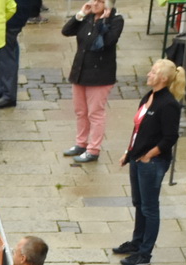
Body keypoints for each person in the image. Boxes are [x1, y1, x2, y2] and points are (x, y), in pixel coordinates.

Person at [115, 59, 184, 265]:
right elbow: (138, 130)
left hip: (151, 162)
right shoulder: (148, 97)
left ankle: (144, 253)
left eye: (153, 72)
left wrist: (149, 155)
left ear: (163, 78)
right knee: (139, 203)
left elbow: (170, 137)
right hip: (138, 158)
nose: (148, 74)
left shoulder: (169, 104)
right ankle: (137, 242)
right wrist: (129, 152)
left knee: (150, 207)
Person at [60, 0, 122, 164]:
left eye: (100, 1)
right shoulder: (88, 17)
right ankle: (81, 143)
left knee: (95, 113)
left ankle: (93, 149)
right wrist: (80, 14)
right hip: (80, 72)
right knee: (80, 111)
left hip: (99, 76)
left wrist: (105, 21)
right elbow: (66, 31)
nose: (95, 3)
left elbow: (106, 42)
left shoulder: (116, 21)